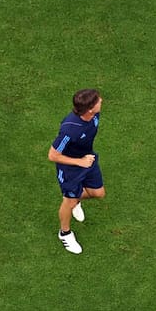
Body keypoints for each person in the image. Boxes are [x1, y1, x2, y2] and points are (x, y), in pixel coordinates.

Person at [46, 89, 105, 254]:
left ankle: (75, 199)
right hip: (70, 169)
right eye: (97, 100)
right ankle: (64, 233)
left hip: (88, 160)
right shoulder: (70, 129)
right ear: (90, 109)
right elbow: (53, 155)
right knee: (69, 201)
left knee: (98, 193)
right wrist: (79, 162)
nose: (101, 100)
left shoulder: (94, 116)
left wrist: (85, 160)